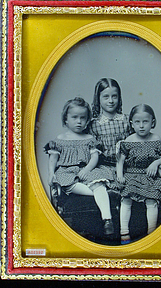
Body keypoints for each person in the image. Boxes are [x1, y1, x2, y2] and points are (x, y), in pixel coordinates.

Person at [44, 97, 114, 235]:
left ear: (87, 120)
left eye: (83, 118)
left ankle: (107, 219)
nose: (79, 121)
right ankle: (99, 194)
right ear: (66, 119)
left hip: (86, 169)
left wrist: (87, 169)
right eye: (74, 117)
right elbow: (53, 158)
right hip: (67, 171)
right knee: (68, 182)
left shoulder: (89, 139)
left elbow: (95, 157)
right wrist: (51, 173)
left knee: (98, 183)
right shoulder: (60, 139)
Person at [116, 104, 161, 244]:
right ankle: (124, 232)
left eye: (145, 122)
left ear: (152, 122)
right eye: (137, 122)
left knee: (152, 200)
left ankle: (151, 233)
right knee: (126, 199)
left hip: (149, 177)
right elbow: (120, 161)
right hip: (131, 175)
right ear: (131, 123)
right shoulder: (128, 141)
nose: (141, 126)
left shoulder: (157, 140)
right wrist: (120, 175)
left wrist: (155, 163)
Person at [89, 78, 131, 192]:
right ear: (98, 99)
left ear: (119, 98)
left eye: (114, 96)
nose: (111, 101)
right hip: (104, 168)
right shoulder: (94, 124)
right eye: (106, 97)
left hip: (127, 168)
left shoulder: (127, 120)